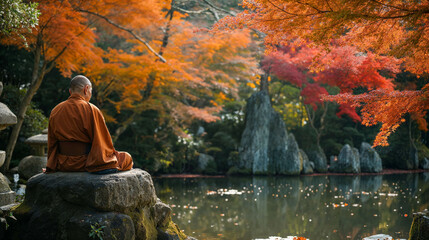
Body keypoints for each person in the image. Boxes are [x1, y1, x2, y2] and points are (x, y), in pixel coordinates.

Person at [46, 75, 133, 173]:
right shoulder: (91, 109)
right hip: (85, 163)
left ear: (70, 91)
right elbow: (101, 143)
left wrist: (52, 164)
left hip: (62, 163)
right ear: (86, 89)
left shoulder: (56, 110)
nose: (90, 94)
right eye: (91, 91)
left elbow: (52, 142)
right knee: (126, 157)